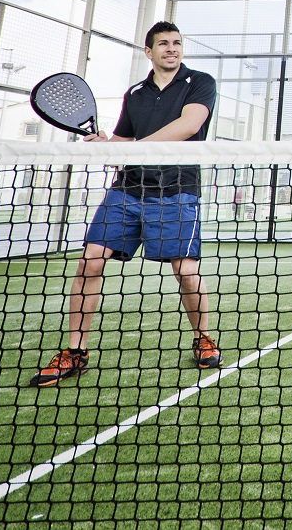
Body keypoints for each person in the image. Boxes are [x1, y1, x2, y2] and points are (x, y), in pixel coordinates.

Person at [30, 22, 221, 386]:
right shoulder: (134, 93)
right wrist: (109, 144)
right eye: (163, 44)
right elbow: (122, 140)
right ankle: (76, 351)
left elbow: (189, 125)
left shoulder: (200, 83)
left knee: (184, 271)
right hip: (127, 190)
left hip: (176, 189)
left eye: (177, 43)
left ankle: (202, 338)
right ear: (148, 52)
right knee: (89, 262)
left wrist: (130, 147)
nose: (172, 49)